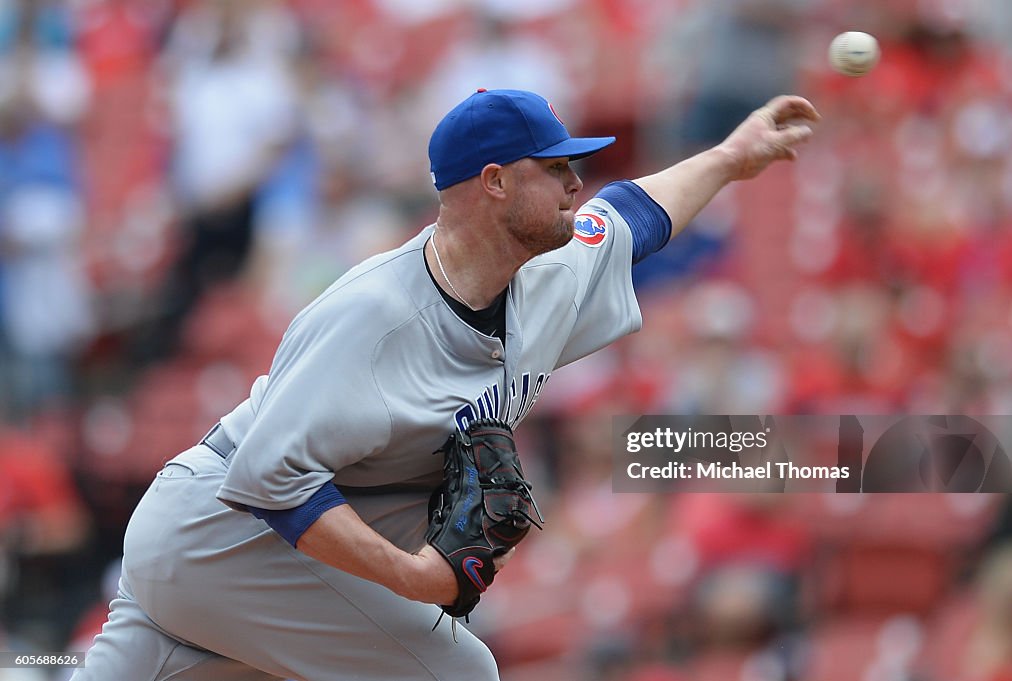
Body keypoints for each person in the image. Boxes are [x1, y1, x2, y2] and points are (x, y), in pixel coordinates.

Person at [73, 88, 819, 680]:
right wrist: (413, 575)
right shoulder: (372, 315)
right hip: (222, 534)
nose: (574, 181)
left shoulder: (548, 274)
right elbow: (268, 479)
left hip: (219, 559)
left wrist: (730, 155)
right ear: (494, 183)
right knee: (454, 671)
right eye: (554, 167)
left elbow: (634, 215)